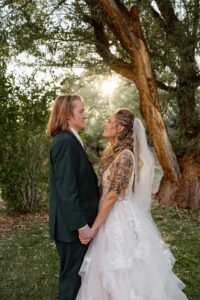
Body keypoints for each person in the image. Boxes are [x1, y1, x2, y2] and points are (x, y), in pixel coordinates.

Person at [76, 109, 188, 300]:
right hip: (107, 214)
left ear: (120, 128)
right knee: (106, 272)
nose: (104, 123)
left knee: (122, 269)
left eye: (109, 120)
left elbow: (112, 196)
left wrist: (93, 228)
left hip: (117, 217)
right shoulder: (114, 153)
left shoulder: (125, 156)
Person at [47, 94, 99, 300]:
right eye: (81, 111)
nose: (85, 115)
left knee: (79, 277)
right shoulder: (65, 143)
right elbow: (66, 191)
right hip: (72, 229)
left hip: (75, 225)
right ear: (68, 115)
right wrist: (82, 226)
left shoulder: (71, 139)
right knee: (72, 278)